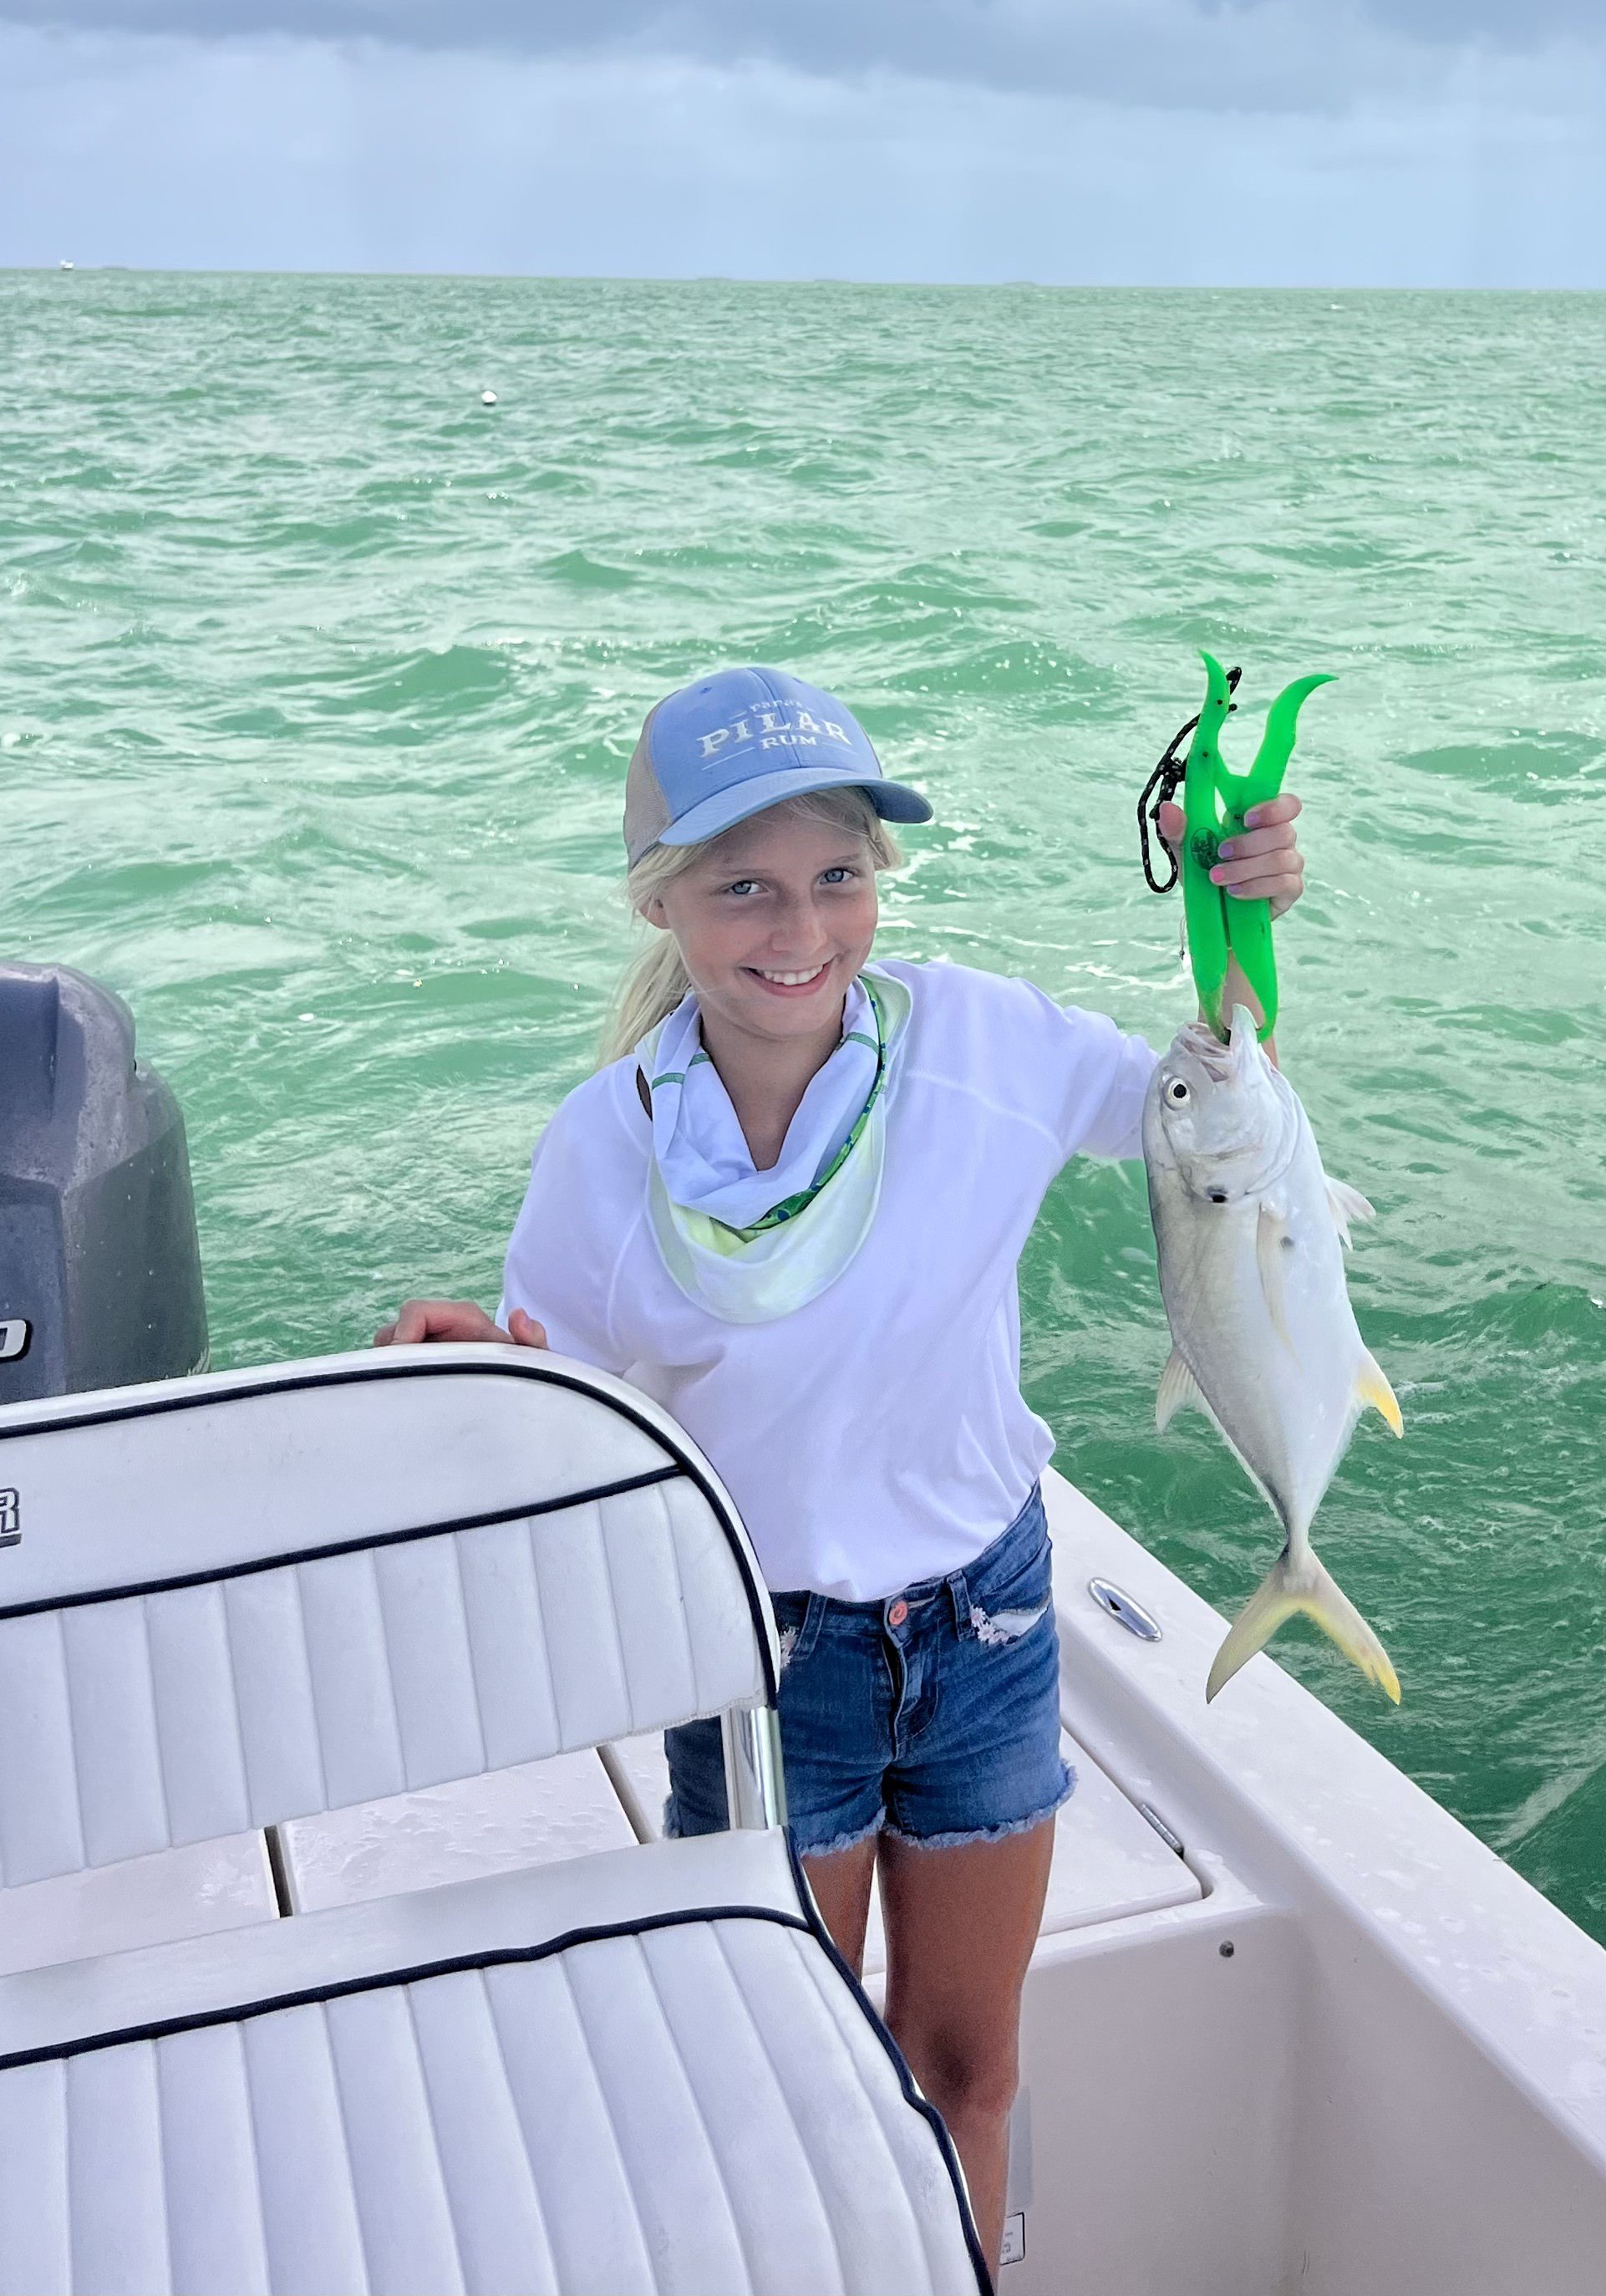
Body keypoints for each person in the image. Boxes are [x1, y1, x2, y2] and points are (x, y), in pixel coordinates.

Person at [377, 664, 1305, 2270]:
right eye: (739, 885)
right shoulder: (606, 1142)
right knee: (769, 2080)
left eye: (834, 878)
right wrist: (480, 1380)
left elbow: (1212, 1097)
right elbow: (580, 1414)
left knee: (966, 2071)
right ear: (661, 902)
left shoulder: (979, 1041)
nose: (795, 927)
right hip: (757, 1653)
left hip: (988, 1631)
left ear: (876, 884)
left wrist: (1244, 910)